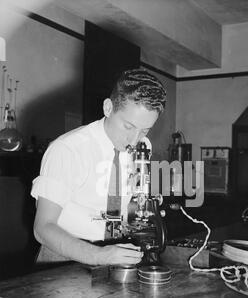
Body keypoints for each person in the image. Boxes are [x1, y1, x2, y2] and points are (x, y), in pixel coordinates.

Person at [31, 68, 167, 266]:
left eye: (145, 130)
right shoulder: (67, 149)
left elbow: (126, 205)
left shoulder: (143, 146)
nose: (134, 139)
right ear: (108, 108)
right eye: (128, 127)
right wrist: (98, 256)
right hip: (63, 258)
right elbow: (42, 228)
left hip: (115, 253)